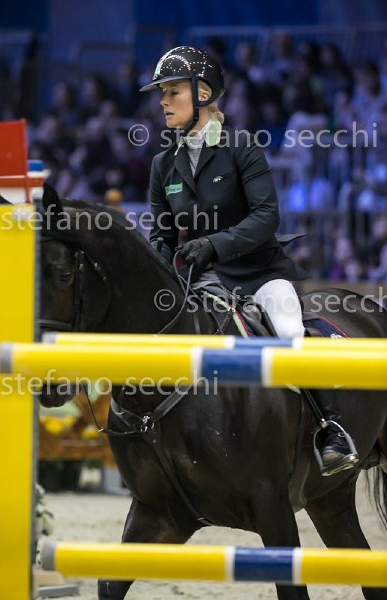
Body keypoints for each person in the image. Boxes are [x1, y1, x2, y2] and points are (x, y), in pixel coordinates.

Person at [140, 46, 358, 476]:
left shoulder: (241, 147)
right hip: (197, 280)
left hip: (258, 274)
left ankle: (331, 430)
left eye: (172, 91)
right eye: (162, 93)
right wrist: (156, 277)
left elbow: (265, 217)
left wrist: (214, 244)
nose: (163, 101)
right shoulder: (163, 164)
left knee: (289, 328)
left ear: (203, 94)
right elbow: (162, 237)